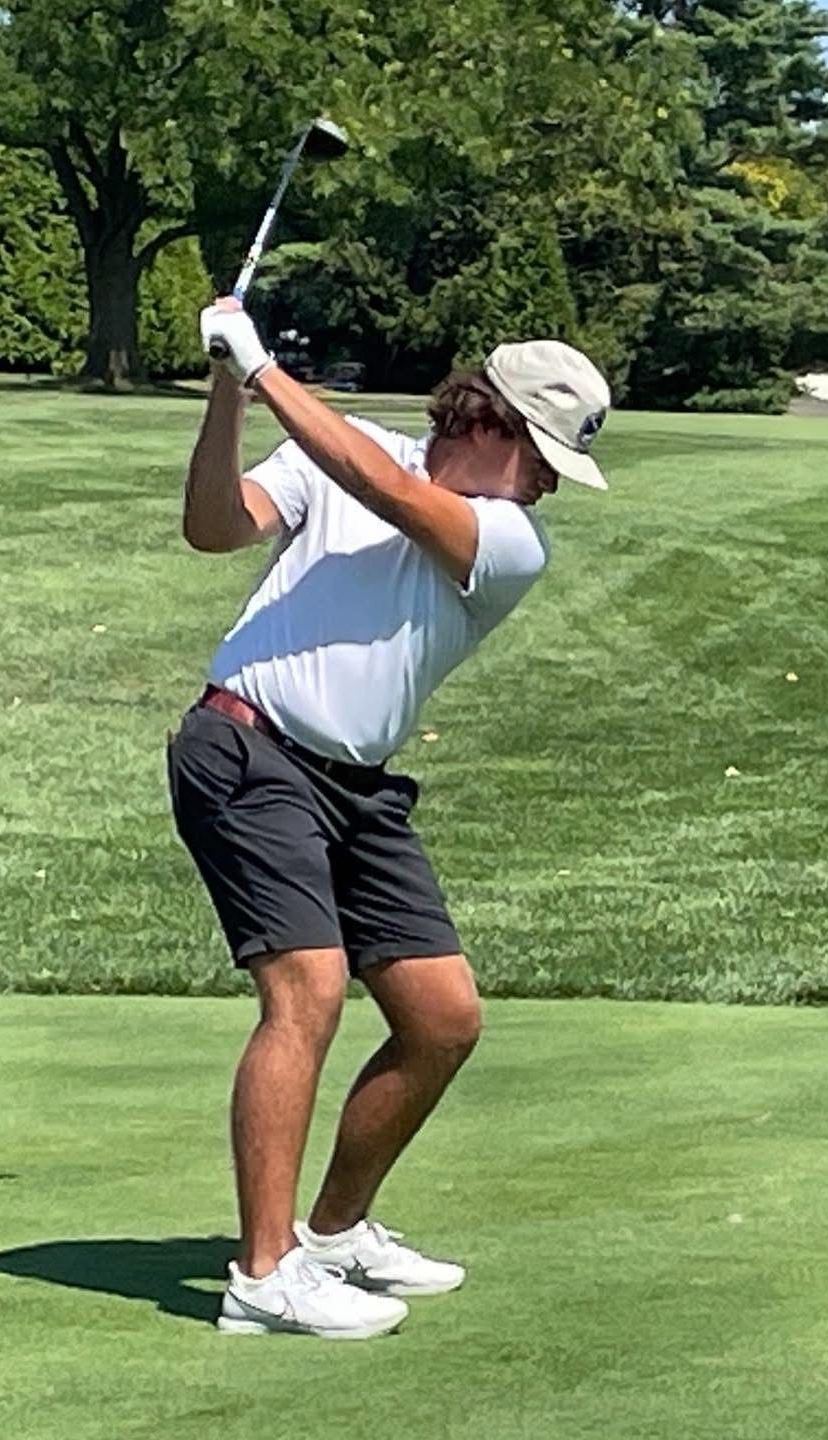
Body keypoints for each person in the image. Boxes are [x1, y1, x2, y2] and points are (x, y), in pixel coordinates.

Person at [171, 297, 612, 1338]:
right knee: (309, 990)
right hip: (247, 745)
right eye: (542, 453)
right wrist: (229, 396)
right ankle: (263, 1276)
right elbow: (212, 527)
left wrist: (268, 369)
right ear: (488, 420)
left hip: (358, 788)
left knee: (443, 1017)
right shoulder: (347, 446)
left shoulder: (509, 543)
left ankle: (331, 1233)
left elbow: (386, 489)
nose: (548, 481)